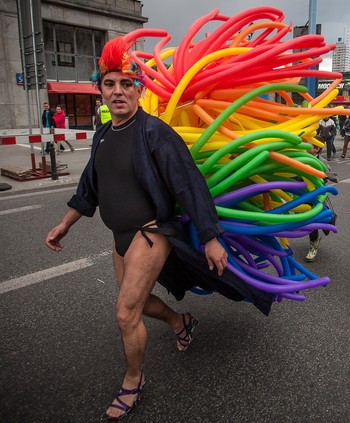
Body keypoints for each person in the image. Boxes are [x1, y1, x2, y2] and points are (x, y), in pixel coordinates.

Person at [44, 36, 272, 420]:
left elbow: (189, 184)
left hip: (148, 234)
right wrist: (65, 223)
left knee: (124, 313)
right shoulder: (103, 135)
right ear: (100, 90)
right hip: (118, 236)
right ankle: (180, 321)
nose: (118, 92)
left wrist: (212, 237)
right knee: (139, 303)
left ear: (138, 90)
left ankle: (133, 380)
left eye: (126, 84)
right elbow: (90, 186)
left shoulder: (155, 133)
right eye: (110, 84)